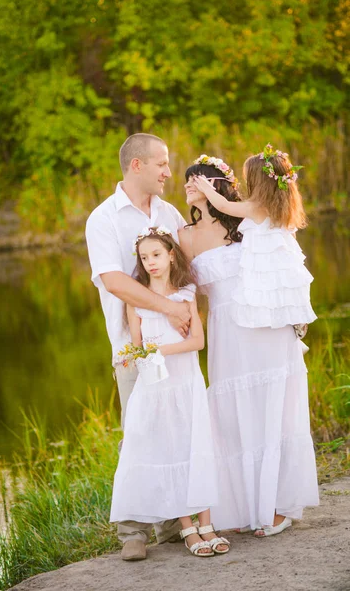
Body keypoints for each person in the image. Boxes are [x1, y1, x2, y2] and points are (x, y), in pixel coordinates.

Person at [179, 154, 319, 538]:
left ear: (215, 185)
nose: (189, 188)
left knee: (274, 408)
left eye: (196, 181)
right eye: (186, 182)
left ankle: (277, 506)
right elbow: (182, 289)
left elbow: (281, 262)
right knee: (232, 417)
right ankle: (243, 506)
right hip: (226, 332)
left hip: (264, 326)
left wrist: (294, 310)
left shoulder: (245, 222)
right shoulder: (184, 237)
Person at [85, 133, 189, 561]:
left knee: (179, 429)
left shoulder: (169, 212)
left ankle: (173, 522)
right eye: (162, 163)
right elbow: (115, 281)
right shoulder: (103, 218)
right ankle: (133, 529)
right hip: (133, 346)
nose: (168, 171)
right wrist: (166, 306)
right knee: (139, 430)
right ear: (137, 166)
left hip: (179, 347)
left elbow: (191, 266)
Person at [110, 227, 230, 557]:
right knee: (171, 452)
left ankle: (207, 524)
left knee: (196, 450)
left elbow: (197, 342)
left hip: (186, 383)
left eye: (157, 255)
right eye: (144, 257)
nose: (150, 262)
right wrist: (131, 357)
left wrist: (160, 351)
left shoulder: (186, 294)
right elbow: (137, 346)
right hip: (156, 390)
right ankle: (189, 529)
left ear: (171, 255)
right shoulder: (136, 302)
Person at [191, 145, 317, 331]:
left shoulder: (255, 207)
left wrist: (207, 188)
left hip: (265, 266)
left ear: (259, 183)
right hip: (283, 269)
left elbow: (224, 206)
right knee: (283, 296)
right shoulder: (283, 209)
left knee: (261, 295)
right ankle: (294, 322)